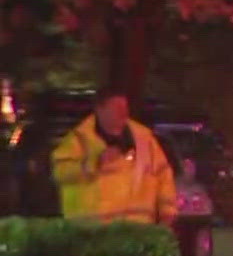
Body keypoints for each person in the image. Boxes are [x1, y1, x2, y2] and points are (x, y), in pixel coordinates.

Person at [50, 90, 177, 225]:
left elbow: (163, 174)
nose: (124, 112)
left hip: (138, 228)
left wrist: (167, 210)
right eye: (117, 107)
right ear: (100, 110)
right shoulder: (79, 140)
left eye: (125, 107)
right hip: (93, 230)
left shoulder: (145, 139)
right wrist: (95, 163)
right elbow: (60, 173)